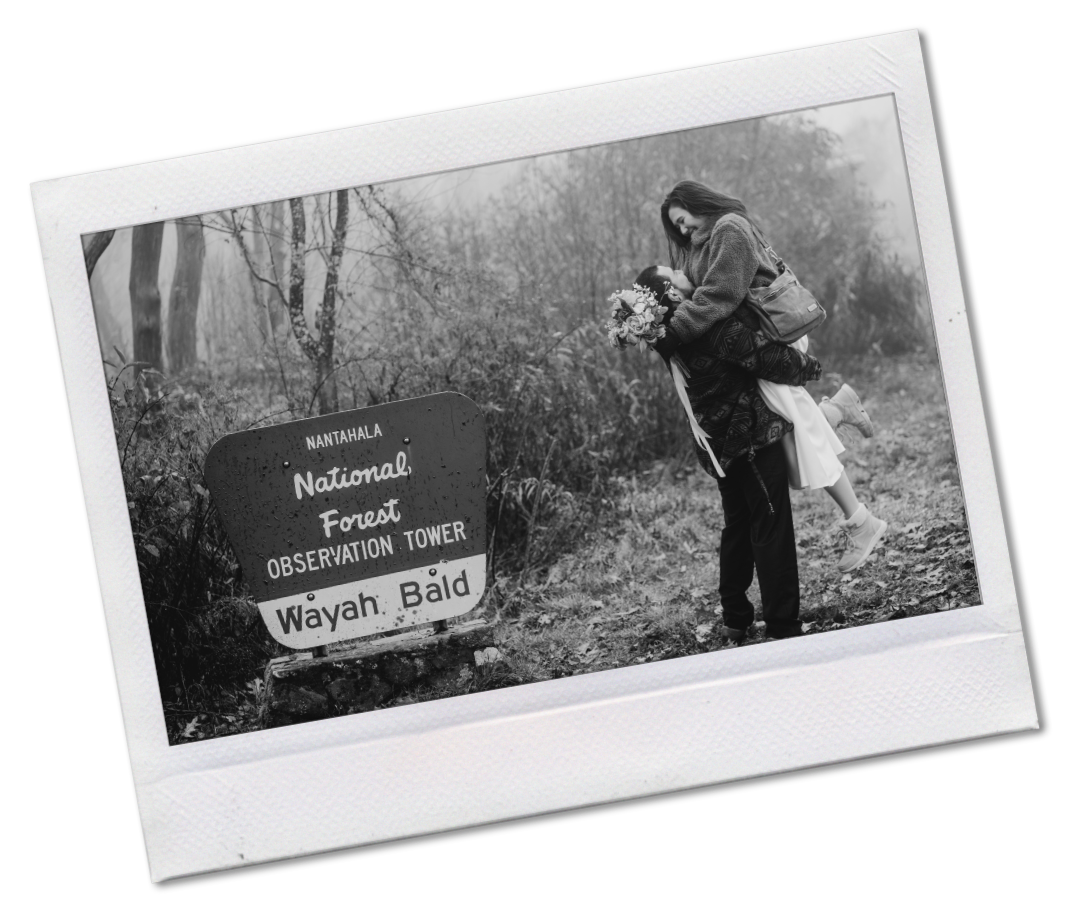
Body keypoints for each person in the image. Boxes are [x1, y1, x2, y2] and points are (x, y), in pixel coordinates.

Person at [647, 180, 888, 574]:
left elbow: (719, 296)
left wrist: (673, 333)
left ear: (695, 204)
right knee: (793, 429)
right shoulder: (701, 244)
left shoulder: (728, 229)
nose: (683, 231)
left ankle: (861, 522)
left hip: (773, 339)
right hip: (753, 349)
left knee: (799, 432)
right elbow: (699, 295)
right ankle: (839, 411)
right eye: (677, 228)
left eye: (683, 220)